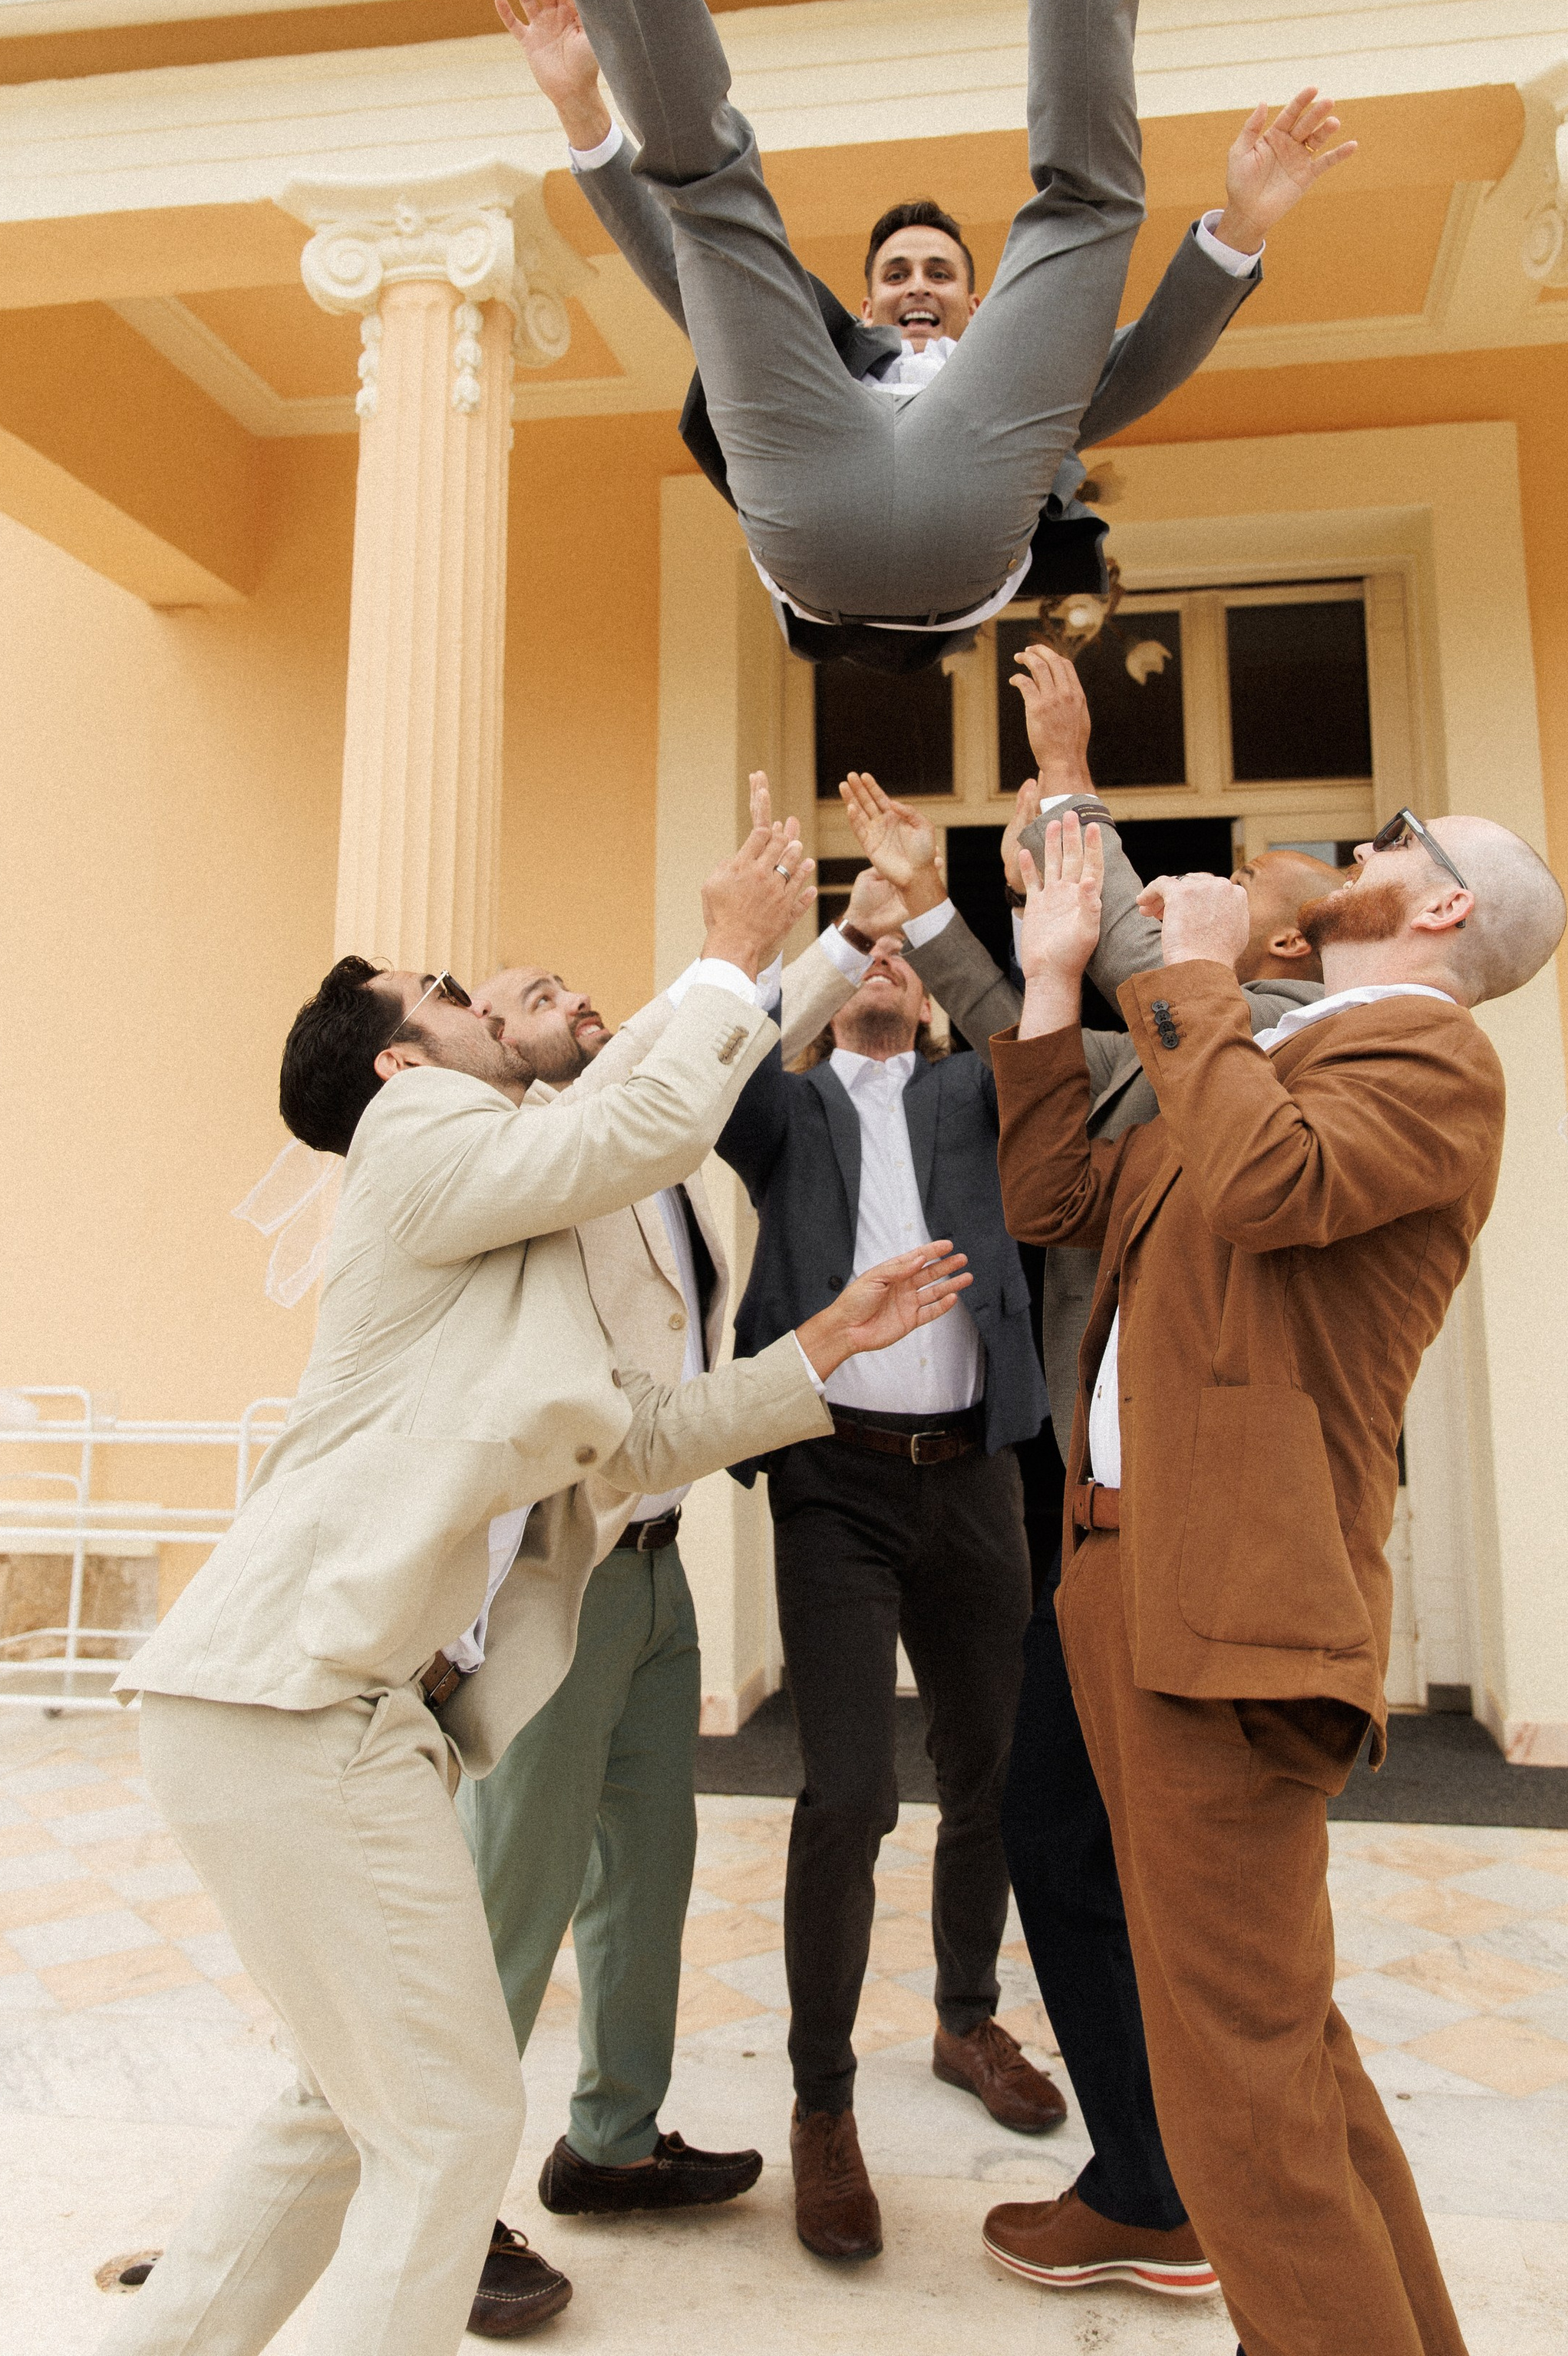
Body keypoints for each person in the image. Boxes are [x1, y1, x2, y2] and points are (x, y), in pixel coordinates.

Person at [103, 820, 974, 2356]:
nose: (487, 1001)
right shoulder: (421, 1141)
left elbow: (630, 1430)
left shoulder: (502, 1207)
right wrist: (734, 949)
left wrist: (818, 1347)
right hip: (298, 1702)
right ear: (401, 1066)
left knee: (341, 2108)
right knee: (446, 2130)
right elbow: (627, 1113)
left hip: (301, 1711)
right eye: (447, 992)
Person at [494, 0, 1357, 671]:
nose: (915, 283)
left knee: (707, 195)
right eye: (901, 270)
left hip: (818, 523)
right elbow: (1147, 366)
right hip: (959, 523)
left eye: (936, 272)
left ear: (978, 305)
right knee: (1089, 206)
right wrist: (1238, 224)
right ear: (869, 302)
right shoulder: (988, 387)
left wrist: (583, 112)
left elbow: (685, 274)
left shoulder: (900, 365)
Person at [992, 804, 1566, 2356]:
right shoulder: (1256, 1056)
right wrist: (1054, 984)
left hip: (1231, 1613)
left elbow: (1266, 1187)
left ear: (1437, 914)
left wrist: (1194, 973)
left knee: (1231, 2083)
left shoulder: (1427, 1063)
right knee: (1275, 2048)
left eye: (1384, 835)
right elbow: (1052, 1204)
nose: (1323, 837)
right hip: (1131, 1583)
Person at [836, 702, 1335, 2301]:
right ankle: (1145, 2178)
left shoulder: (1285, 1050)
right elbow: (1031, 1031)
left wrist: (1066, 781)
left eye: (1279, 871)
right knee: (1066, 1845)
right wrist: (929, 911)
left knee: (1182, 1899)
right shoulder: (1179, 1061)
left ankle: (1214, 2204)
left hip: (1204, 1552)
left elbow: (1113, 957)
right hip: (1096, 1529)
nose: (1238, 869)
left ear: (1294, 955)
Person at [453, 898, 853, 2278]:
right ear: (487, 1054)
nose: (574, 997)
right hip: (553, 1582)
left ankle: (612, 2143)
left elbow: (715, 1065)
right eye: (533, 994)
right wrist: (721, 957)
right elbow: (651, 1069)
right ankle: (447, 2208)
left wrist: (849, 939)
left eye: (574, 979)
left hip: (658, 1572)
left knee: (647, 1878)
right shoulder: (514, 1157)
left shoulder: (648, 1156)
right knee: (511, 1898)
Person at [710, 910, 1060, 2264]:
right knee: (848, 1794)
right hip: (834, 1488)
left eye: (898, 955)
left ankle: (967, 2017)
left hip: (974, 1477)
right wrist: (763, 956)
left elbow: (1032, 1042)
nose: (882, 965)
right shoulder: (788, 1114)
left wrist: (932, 920)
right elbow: (718, 1071)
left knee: (991, 1768)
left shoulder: (971, 1091)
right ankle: (823, 2108)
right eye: (859, 951)